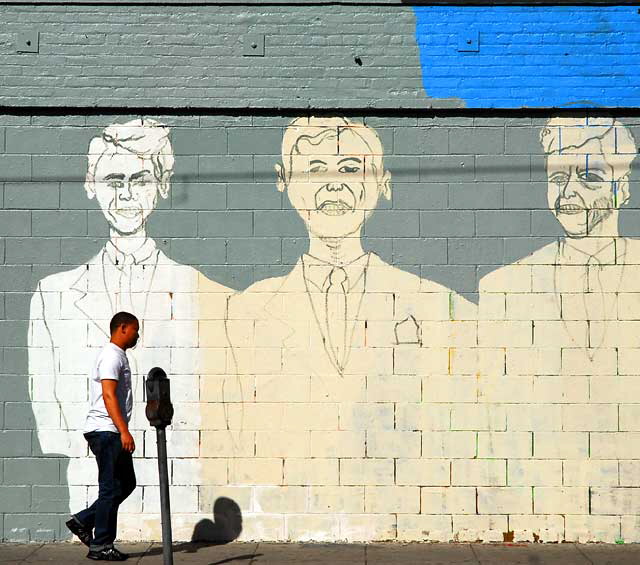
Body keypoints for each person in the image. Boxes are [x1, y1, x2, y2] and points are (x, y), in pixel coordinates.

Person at [222, 117, 474, 517]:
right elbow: (234, 436)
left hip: (403, 510)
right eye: (314, 169)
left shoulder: (436, 304)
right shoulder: (246, 311)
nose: (333, 184)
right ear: (283, 180)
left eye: (351, 168)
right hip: (287, 509)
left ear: (383, 182)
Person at [28, 118, 230, 526]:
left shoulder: (203, 290)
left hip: (186, 472)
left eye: (139, 179)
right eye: (113, 179)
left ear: (162, 184)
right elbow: (49, 408)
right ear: (91, 184)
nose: (125, 194)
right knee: (112, 489)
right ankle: (97, 535)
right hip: (94, 452)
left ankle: (88, 525)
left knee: (122, 487)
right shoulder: (53, 294)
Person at [479, 116, 638, 374]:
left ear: (622, 187)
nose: (567, 192)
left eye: (589, 176)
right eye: (557, 178)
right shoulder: (503, 287)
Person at [65, 311, 139, 561]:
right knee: (109, 489)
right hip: (106, 431)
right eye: (135, 329)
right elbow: (108, 395)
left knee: (126, 484)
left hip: (111, 431)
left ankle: (83, 520)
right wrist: (124, 431)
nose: (137, 335)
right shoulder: (110, 356)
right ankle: (101, 545)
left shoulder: (118, 355)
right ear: (123, 328)